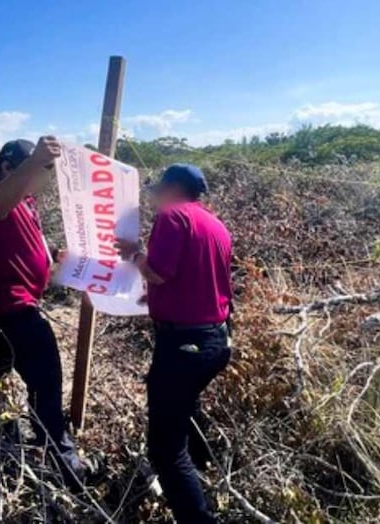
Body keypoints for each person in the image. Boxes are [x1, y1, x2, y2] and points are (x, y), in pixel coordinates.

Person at [0, 135, 88, 485]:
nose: (46, 175)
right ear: (8, 167)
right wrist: (34, 160)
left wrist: (59, 267)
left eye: (47, 169)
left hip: (20, 305)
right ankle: (67, 468)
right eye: (42, 168)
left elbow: (37, 267)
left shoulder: (28, 203)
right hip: (10, 310)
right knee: (47, 385)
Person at [117, 163, 233, 523]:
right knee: (184, 407)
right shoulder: (215, 225)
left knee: (165, 449)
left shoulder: (173, 216)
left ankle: (198, 516)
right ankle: (202, 470)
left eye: (158, 189)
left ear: (173, 188)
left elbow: (160, 272)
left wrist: (133, 253)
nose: (154, 198)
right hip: (215, 340)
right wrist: (157, 298)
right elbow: (194, 279)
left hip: (185, 344)